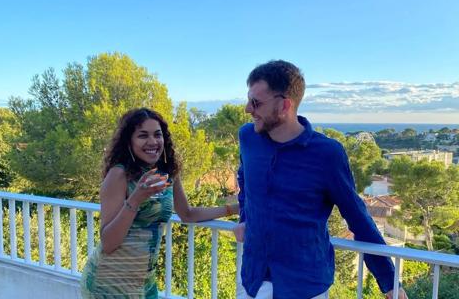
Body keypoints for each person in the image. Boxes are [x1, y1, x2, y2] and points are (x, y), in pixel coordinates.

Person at [233, 60, 408, 299]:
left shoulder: (327, 154)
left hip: (304, 286)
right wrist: (245, 216)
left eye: (256, 103)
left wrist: (390, 283)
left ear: (285, 105)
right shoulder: (248, 137)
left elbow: (357, 217)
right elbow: (245, 180)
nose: (247, 109)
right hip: (252, 279)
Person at [81, 107, 238, 298]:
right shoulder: (119, 175)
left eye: (158, 135)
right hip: (109, 283)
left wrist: (234, 209)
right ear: (129, 142)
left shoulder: (168, 173)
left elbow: (187, 214)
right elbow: (108, 243)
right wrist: (136, 198)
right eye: (142, 136)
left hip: (145, 283)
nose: (152, 142)